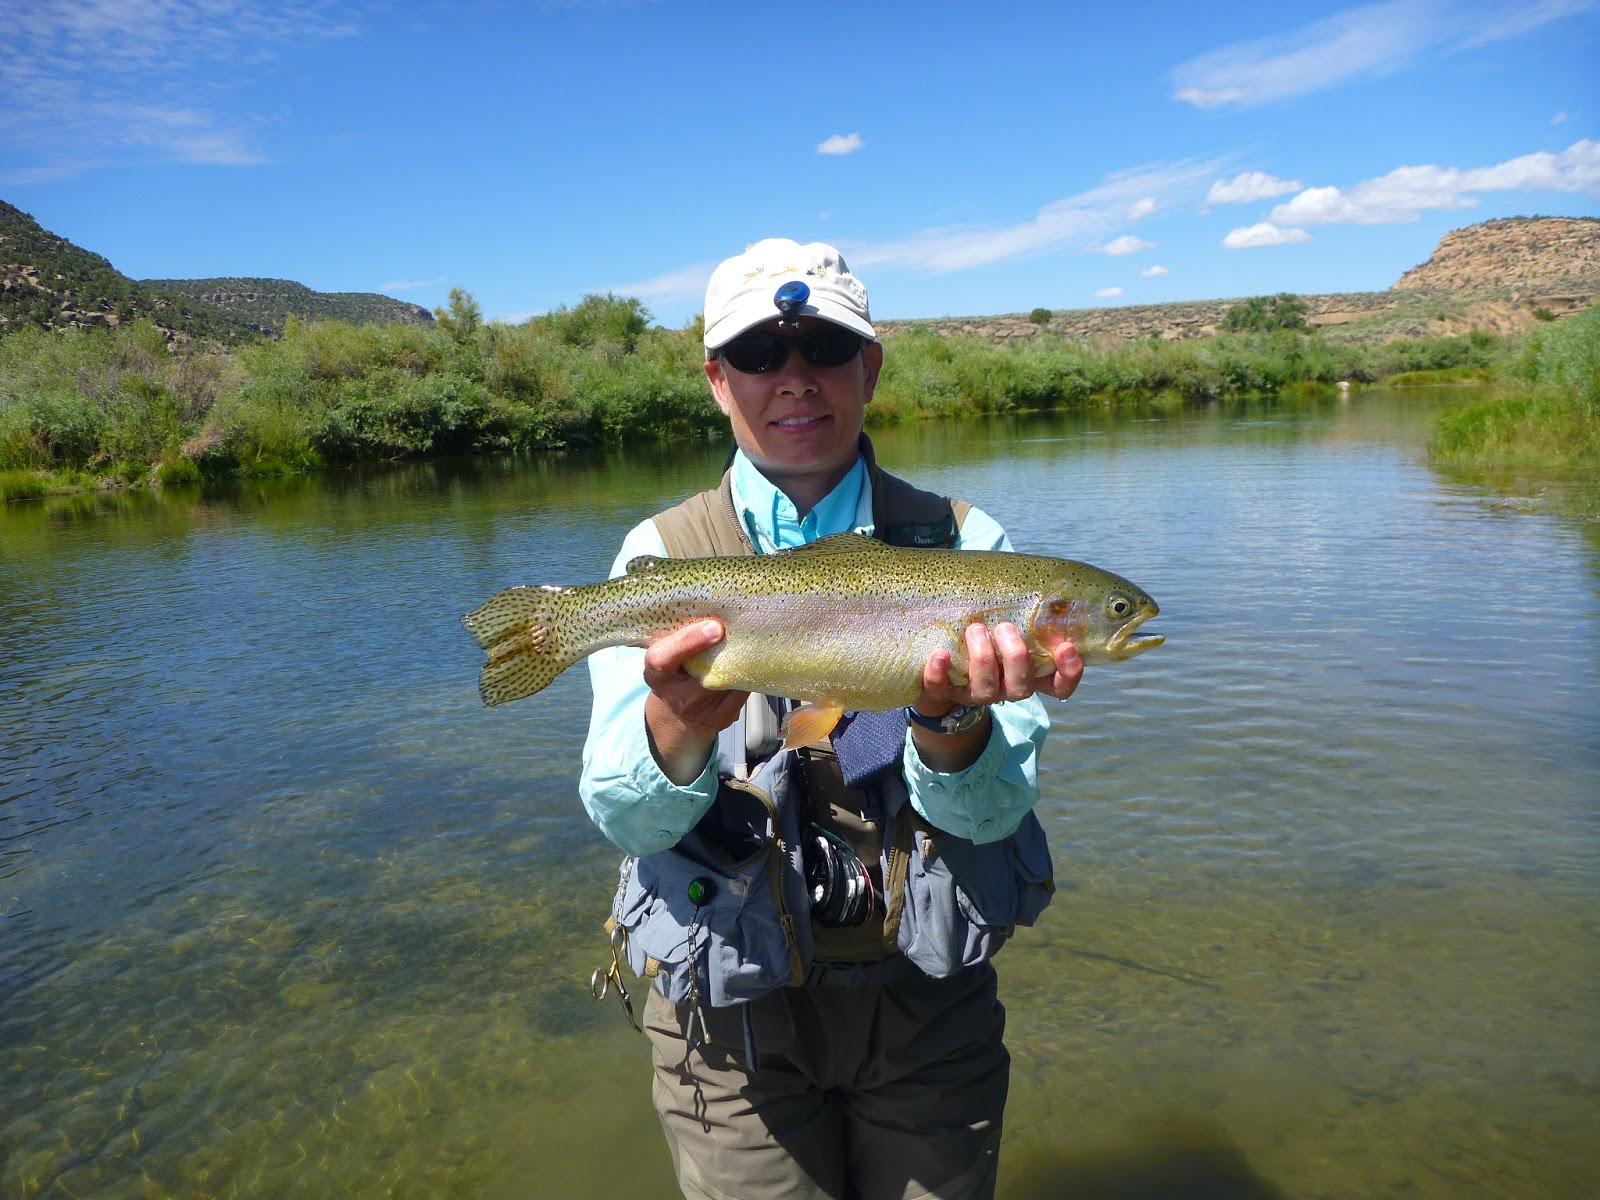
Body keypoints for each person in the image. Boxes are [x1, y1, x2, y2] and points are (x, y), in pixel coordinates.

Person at [579, 238, 1083, 1200]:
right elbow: (624, 819)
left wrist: (950, 726)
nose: (796, 378)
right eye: (763, 354)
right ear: (718, 381)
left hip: (929, 1007)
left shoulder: (971, 550)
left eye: (824, 347)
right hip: (728, 1022)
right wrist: (677, 728)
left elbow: (986, 819)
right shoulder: (661, 556)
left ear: (872, 366)